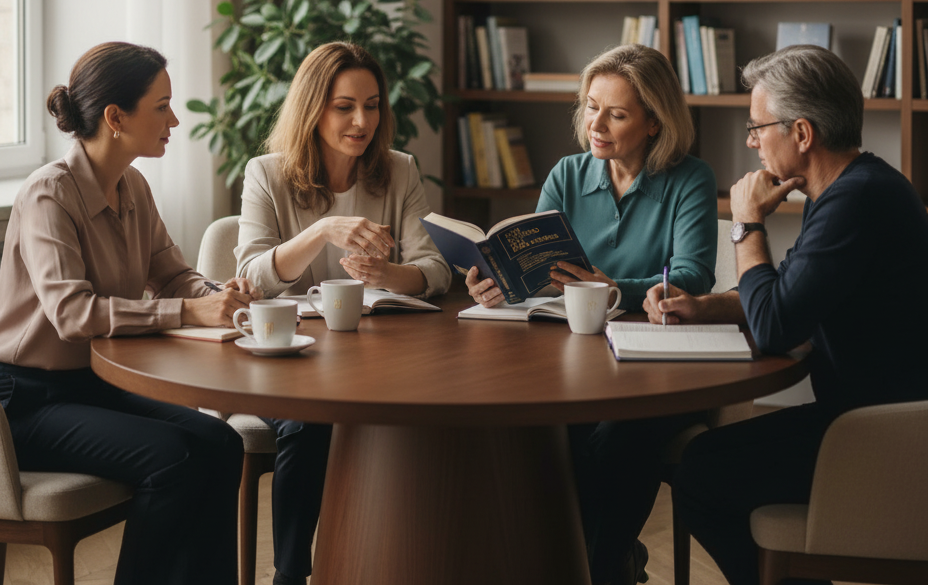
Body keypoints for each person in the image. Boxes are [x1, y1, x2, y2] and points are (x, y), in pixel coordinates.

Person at [640, 45, 928, 585]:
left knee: (702, 470)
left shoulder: (854, 203)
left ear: (801, 133)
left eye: (756, 127)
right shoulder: (853, 188)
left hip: (882, 436)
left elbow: (774, 324)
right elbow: (787, 295)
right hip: (872, 419)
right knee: (708, 462)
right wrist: (702, 306)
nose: (751, 141)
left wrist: (745, 224)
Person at [0, 42, 258, 585]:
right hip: (25, 401)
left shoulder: (133, 186)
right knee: (174, 458)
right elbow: (72, 314)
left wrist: (218, 294)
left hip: (90, 384)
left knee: (221, 443)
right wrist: (189, 309)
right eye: (162, 106)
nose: (176, 119)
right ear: (116, 118)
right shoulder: (49, 195)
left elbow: (171, 275)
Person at [466, 44, 718, 585]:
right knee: (542, 434)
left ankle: (596, 569)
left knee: (617, 437)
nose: (596, 123)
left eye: (617, 113)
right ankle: (593, 564)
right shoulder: (567, 173)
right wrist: (501, 282)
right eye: (590, 106)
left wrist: (615, 290)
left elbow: (693, 277)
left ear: (655, 122)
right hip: (571, 358)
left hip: (658, 365)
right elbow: (536, 266)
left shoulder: (690, 179)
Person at [236, 40, 451, 585]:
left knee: (433, 423)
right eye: (344, 106)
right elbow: (249, 278)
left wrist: (391, 276)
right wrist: (322, 231)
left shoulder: (398, 171)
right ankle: (291, 574)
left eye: (373, 105)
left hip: (380, 361)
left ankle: (393, 563)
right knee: (311, 424)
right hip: (290, 362)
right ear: (313, 108)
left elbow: (436, 269)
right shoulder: (267, 174)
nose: (362, 121)